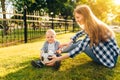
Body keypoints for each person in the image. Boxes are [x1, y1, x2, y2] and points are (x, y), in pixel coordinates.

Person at [46, 5, 120, 68]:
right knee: (79, 42)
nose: (76, 20)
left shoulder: (93, 28)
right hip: (112, 56)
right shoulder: (95, 25)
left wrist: (59, 59)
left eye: (78, 17)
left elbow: (79, 48)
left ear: (85, 16)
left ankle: (56, 53)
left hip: (108, 59)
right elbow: (79, 34)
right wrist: (69, 42)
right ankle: (58, 51)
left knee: (80, 44)